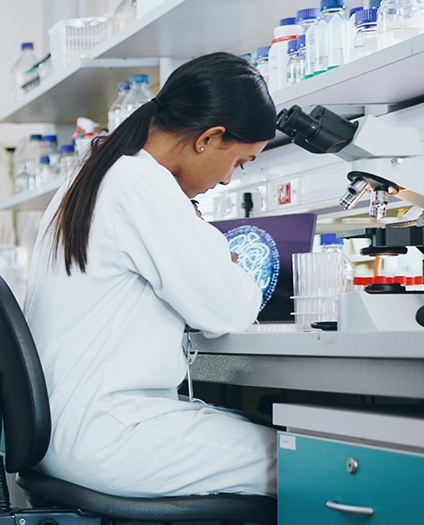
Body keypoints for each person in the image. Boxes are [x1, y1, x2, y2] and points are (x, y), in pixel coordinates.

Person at [25, 52, 275, 498]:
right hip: (106, 434)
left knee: (258, 436)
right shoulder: (141, 185)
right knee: (300, 457)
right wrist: (218, 255)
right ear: (210, 138)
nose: (227, 180)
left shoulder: (100, 175)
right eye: (239, 162)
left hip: (70, 428)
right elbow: (231, 309)